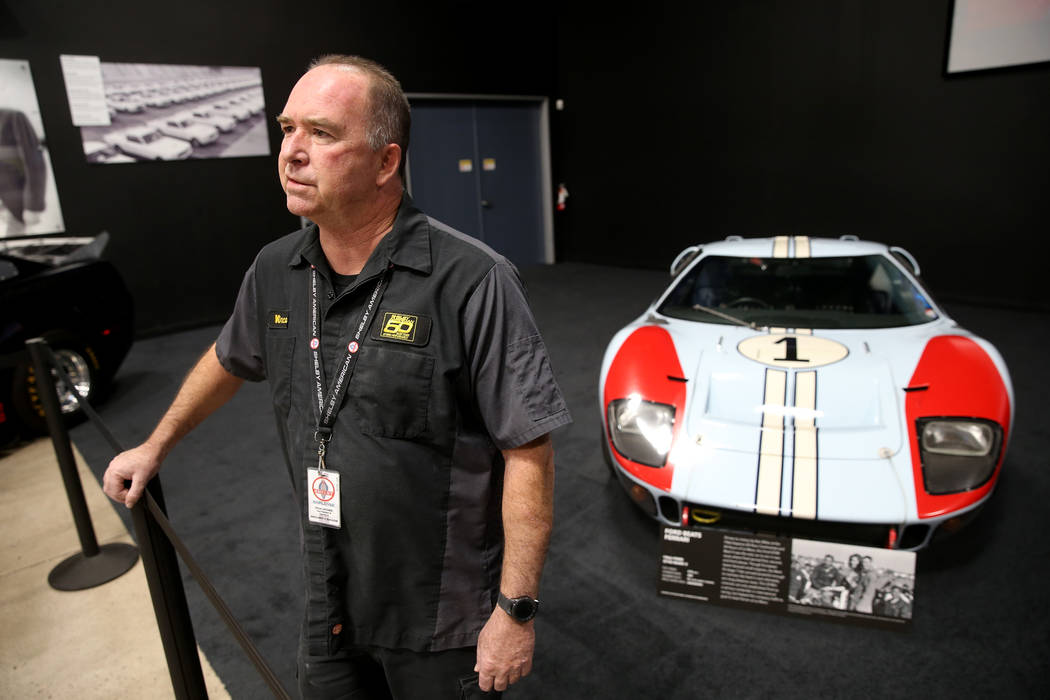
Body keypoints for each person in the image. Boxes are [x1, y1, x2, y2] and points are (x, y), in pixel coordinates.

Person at [103, 54, 571, 699]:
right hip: (328, 591)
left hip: (438, 610)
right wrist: (156, 444)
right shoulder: (275, 268)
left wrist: (516, 613)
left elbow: (528, 449)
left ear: (386, 161)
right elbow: (228, 356)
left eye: (321, 134)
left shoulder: (471, 280)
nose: (292, 153)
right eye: (287, 129)